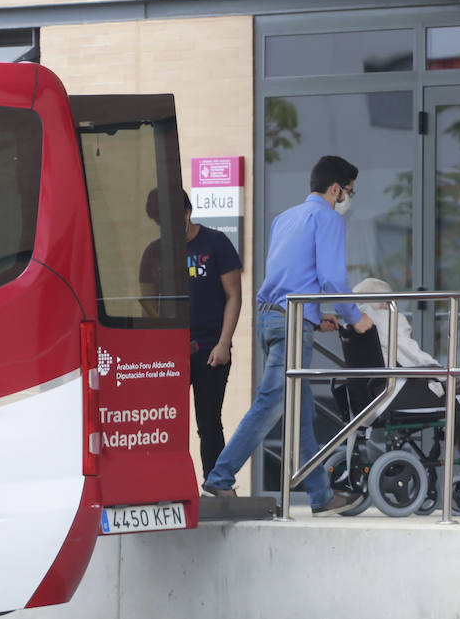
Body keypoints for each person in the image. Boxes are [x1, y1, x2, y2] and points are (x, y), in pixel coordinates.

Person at [201, 156, 371, 515]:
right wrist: (354, 318)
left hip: (270, 319)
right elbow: (331, 278)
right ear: (336, 189)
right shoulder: (327, 218)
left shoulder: (285, 218)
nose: (348, 198)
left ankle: (321, 496)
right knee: (272, 402)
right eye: (349, 191)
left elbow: (287, 277)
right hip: (291, 325)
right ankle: (220, 476)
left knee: (301, 410)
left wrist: (315, 315)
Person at [139, 190, 243, 478]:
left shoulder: (216, 243)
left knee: (208, 422)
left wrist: (223, 343)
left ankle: (217, 484)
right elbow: (146, 303)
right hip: (172, 353)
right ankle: (165, 483)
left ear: (187, 213)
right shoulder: (154, 252)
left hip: (211, 348)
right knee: (166, 421)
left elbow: (234, 295)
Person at [352, 277, 460, 489]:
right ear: (383, 302)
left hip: (374, 395)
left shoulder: (354, 323)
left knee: (459, 401)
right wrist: (439, 370)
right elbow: (413, 357)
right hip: (406, 388)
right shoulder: (385, 317)